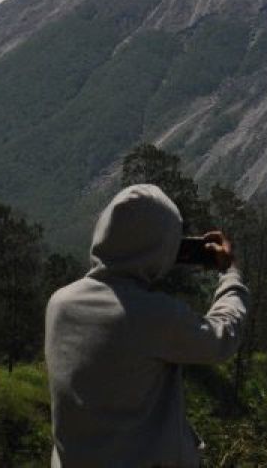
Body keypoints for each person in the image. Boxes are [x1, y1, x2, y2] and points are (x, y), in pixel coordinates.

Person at [45, 184, 248, 467]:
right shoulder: (152, 315)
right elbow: (222, 337)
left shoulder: (59, 304)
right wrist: (230, 273)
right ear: (161, 248)